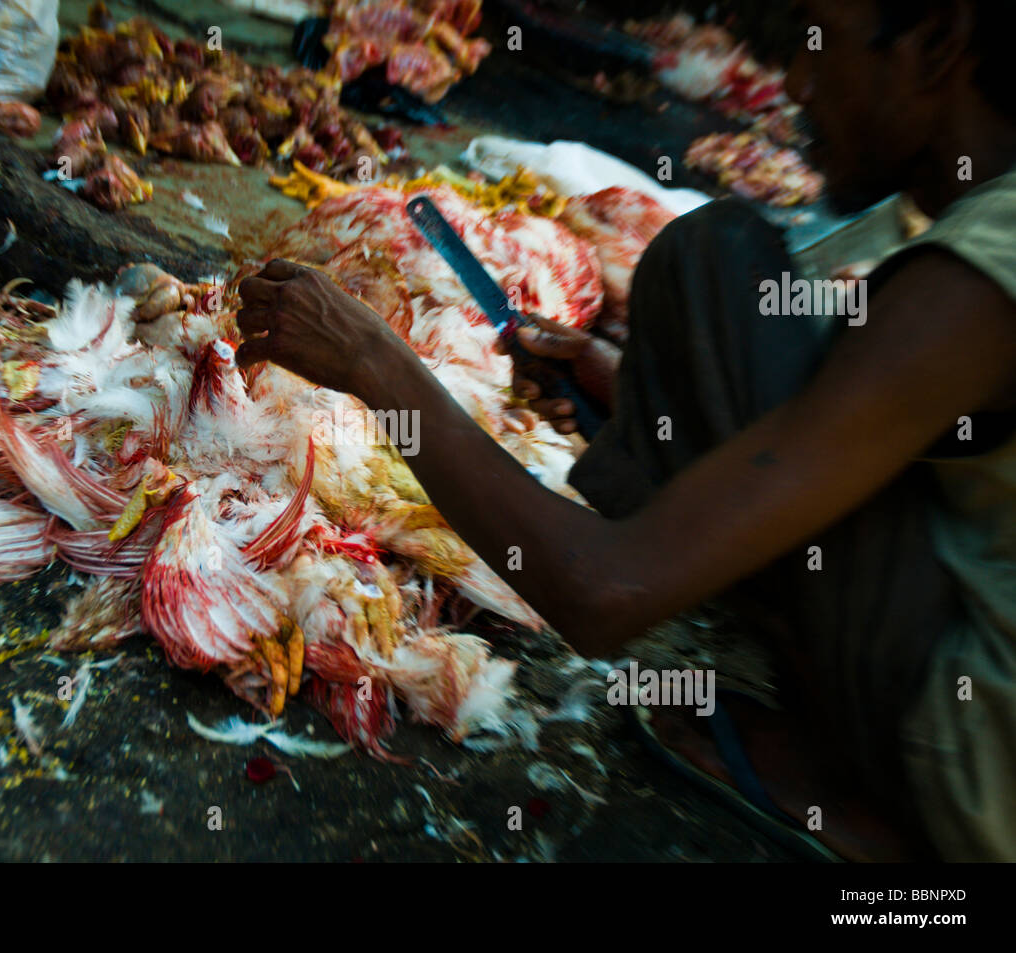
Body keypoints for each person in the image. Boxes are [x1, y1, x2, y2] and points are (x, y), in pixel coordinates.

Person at [231, 0, 1016, 861]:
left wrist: (374, 363)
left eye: (817, 38)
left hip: (988, 783)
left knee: (723, 267)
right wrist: (635, 379)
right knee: (713, 268)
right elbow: (880, 410)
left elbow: (602, 594)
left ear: (939, 40)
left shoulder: (977, 277)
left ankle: (896, 805)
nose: (795, 79)